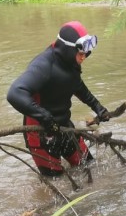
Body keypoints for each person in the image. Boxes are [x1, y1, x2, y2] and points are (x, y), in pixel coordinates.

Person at [7, 21, 110, 177]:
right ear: (68, 49)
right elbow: (15, 93)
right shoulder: (43, 65)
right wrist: (45, 117)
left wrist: (98, 107)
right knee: (56, 183)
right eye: (80, 53)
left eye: (86, 54)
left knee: (89, 167)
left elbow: (77, 85)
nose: (83, 58)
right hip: (41, 135)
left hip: (65, 127)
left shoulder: (71, 63)